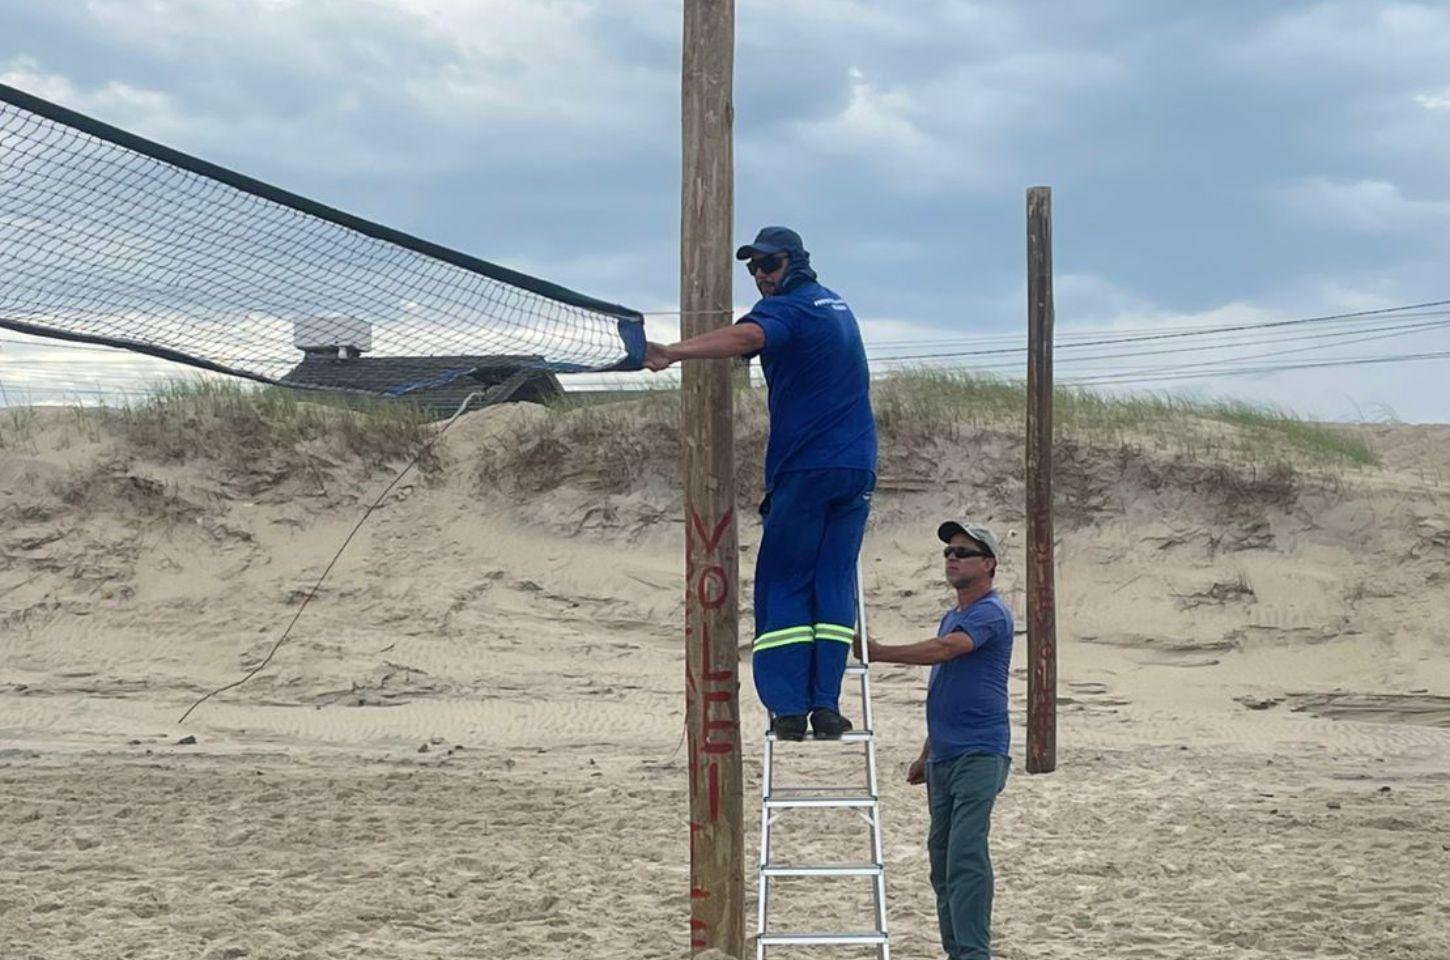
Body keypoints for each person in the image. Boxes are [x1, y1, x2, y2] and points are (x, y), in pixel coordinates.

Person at [644, 226, 877, 741]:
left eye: (767, 266)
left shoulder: (790, 308)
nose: (758, 276)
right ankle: (828, 704)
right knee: (832, 581)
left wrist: (673, 352)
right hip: (858, 465)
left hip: (807, 467)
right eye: (751, 268)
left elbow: (748, 336)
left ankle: (790, 709)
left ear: (794, 262)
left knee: (785, 580)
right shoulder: (835, 305)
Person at [857, 520, 1012, 960]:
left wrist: (879, 652)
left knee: (966, 853)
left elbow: (946, 651)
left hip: (981, 752)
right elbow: (946, 685)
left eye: (963, 552)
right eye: (949, 551)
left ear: (989, 564)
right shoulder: (955, 613)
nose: (952, 558)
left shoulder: (990, 613)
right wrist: (928, 751)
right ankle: (957, 950)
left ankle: (973, 952)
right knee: (942, 859)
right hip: (945, 755)